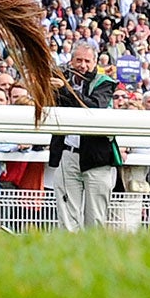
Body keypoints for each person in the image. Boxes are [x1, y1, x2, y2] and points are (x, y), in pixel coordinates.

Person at [46, 42, 119, 232]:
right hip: (68, 154)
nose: (82, 65)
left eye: (87, 61)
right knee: (67, 216)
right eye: (78, 60)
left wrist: (64, 89)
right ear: (71, 61)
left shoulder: (105, 83)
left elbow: (93, 108)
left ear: (95, 62)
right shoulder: (61, 79)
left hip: (97, 156)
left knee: (95, 217)